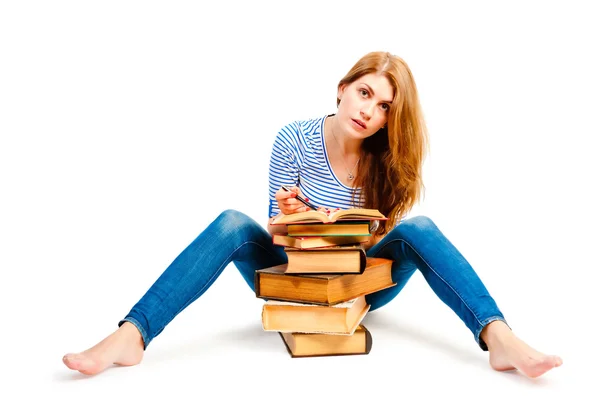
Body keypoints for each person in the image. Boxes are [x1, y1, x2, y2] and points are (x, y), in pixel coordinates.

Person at [62, 51, 562, 378]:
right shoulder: (294, 140)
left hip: (354, 282)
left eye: (385, 106)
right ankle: (131, 336)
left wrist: (344, 232)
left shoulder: (386, 163)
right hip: (290, 275)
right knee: (233, 222)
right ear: (343, 88)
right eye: (365, 92)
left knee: (422, 229)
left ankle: (499, 338)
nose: (370, 110)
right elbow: (280, 254)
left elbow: (365, 261)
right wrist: (293, 224)